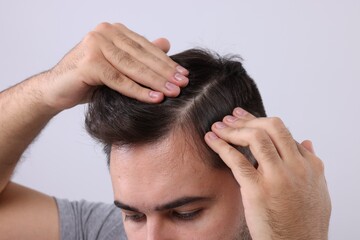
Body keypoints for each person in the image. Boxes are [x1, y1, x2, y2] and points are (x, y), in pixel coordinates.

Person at [0, 22, 331, 240]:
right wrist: (46, 91)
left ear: (258, 177)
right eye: (133, 215)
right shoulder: (105, 232)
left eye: (185, 214)